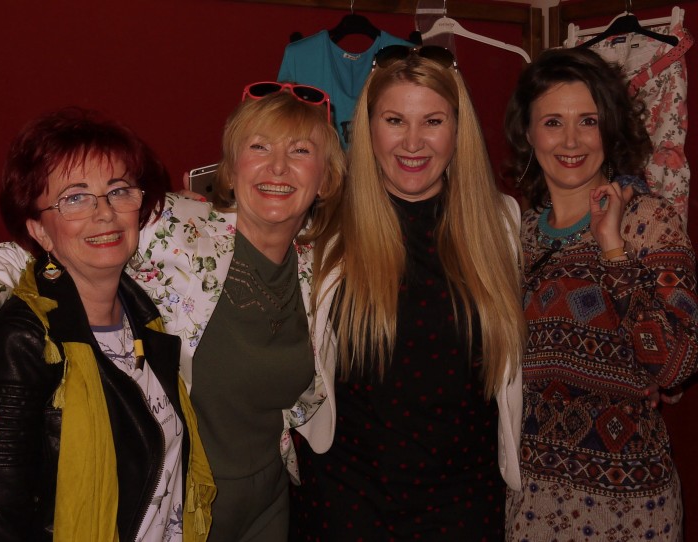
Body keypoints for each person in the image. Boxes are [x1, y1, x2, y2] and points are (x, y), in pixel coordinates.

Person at [0, 83, 345, 542]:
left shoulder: (326, 262)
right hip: (179, 503)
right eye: (259, 147)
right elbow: (11, 258)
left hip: (270, 500)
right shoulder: (175, 225)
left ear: (325, 178)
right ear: (231, 167)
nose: (278, 167)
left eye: (300, 150)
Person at [0, 107, 214, 541]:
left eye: (118, 191)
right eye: (75, 198)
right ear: (40, 231)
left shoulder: (146, 314)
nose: (105, 213)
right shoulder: (23, 342)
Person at [289, 45, 528, 541]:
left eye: (433, 121)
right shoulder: (321, 226)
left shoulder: (501, 223)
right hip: (346, 502)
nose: (413, 142)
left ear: (458, 129)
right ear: (367, 127)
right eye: (395, 120)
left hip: (465, 504)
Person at [503, 47, 698, 541]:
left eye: (587, 121)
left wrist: (612, 249)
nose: (571, 140)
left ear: (609, 128)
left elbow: (676, 366)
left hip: (633, 509)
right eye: (553, 122)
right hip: (532, 503)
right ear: (528, 132)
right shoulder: (515, 235)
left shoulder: (649, 223)